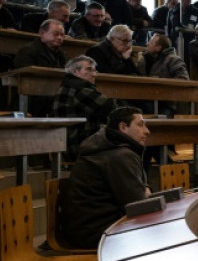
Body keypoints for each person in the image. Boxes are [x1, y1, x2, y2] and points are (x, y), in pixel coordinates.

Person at [64, 106, 150, 249]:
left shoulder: (111, 149)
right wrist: (144, 191)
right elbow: (139, 204)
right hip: (97, 232)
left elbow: (140, 191)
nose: (147, 131)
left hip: (87, 229)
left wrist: (144, 190)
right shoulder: (119, 155)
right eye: (140, 125)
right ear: (123, 127)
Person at [52, 55, 120, 160]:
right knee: (128, 147)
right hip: (78, 146)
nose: (94, 74)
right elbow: (112, 108)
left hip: (67, 144)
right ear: (75, 71)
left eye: (94, 71)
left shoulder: (70, 86)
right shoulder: (79, 89)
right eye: (89, 70)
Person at [13, 19, 67, 117]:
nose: (59, 38)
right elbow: (25, 76)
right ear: (42, 33)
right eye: (55, 34)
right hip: (32, 96)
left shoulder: (61, 53)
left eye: (62, 35)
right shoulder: (28, 51)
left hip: (51, 93)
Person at [137, 34, 188, 116]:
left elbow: (183, 80)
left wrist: (157, 82)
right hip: (143, 100)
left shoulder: (174, 60)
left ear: (158, 48)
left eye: (150, 42)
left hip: (165, 104)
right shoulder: (143, 61)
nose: (147, 44)